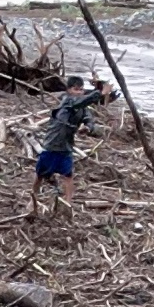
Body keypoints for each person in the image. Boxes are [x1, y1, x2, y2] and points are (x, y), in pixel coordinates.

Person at [31, 74, 111, 218]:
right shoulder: (67, 101)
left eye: (81, 90)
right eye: (75, 89)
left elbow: (88, 118)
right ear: (68, 90)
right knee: (40, 174)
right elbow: (81, 102)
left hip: (66, 145)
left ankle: (68, 204)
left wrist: (89, 127)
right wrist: (100, 93)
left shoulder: (82, 106)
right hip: (53, 143)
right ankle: (33, 200)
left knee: (68, 175)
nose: (79, 92)